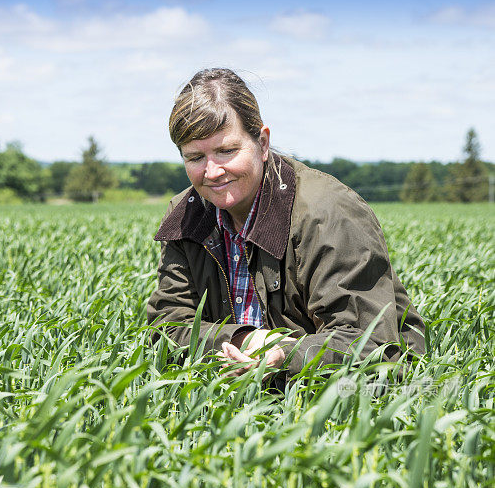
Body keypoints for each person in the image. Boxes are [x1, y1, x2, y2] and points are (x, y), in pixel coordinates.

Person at [147, 68, 425, 379]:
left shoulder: (328, 214)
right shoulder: (188, 213)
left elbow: (370, 342)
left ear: (263, 144)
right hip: (248, 396)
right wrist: (243, 338)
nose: (211, 172)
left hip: (355, 394)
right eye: (195, 158)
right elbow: (168, 326)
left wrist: (282, 353)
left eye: (227, 151)